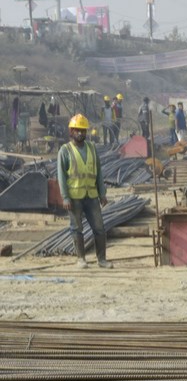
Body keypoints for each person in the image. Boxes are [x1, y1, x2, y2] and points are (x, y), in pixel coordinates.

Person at [57, 114, 113, 269]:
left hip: (92, 197)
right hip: (74, 198)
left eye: (83, 130)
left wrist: (102, 194)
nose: (81, 133)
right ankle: (81, 259)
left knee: (99, 228)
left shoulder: (92, 148)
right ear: (71, 131)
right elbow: (61, 176)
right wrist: (65, 197)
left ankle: (102, 259)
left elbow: (99, 172)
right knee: (77, 228)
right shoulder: (65, 151)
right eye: (77, 130)